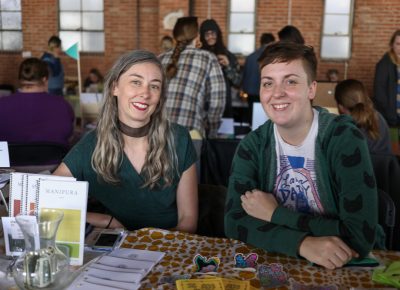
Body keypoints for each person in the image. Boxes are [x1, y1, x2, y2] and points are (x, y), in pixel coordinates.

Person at [225, 42, 384, 270]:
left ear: (311, 89)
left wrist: (275, 214)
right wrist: (302, 244)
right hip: (280, 263)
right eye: (268, 83)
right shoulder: (253, 145)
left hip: (347, 265)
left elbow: (359, 235)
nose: (277, 93)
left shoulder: (343, 138)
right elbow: (234, 222)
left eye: (290, 81)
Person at [53, 50, 198, 233]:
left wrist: (151, 247)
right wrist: (107, 221)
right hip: (114, 252)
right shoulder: (91, 145)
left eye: (154, 86)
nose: (145, 93)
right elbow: (45, 201)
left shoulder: (179, 138)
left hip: (168, 249)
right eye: (136, 82)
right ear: (115, 87)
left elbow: (188, 222)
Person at [159, 16, 226, 141]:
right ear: (197, 36)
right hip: (190, 134)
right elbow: (217, 101)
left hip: (157, 133)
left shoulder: (159, 59)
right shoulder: (208, 58)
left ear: (175, 36)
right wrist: (212, 131)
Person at [0, 58, 74, 147]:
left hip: (10, 160)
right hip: (55, 160)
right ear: (45, 79)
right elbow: (69, 137)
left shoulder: (2, 105)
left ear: (20, 80)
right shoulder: (63, 105)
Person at [335, 79, 392, 155]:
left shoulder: (344, 127)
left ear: (340, 107)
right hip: (384, 166)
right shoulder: (379, 117)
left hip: (360, 166)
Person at [200, 19, 241, 118]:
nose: (210, 37)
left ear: (218, 34)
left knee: (224, 133)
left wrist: (228, 66)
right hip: (202, 104)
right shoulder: (199, 55)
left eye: (213, 33)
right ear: (202, 37)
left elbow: (237, 82)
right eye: (206, 34)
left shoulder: (228, 55)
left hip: (224, 104)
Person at [242, 33, 275, 123]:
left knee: (251, 117)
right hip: (262, 92)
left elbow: (243, 75)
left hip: (249, 92)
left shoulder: (249, 57)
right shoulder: (269, 57)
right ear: (271, 43)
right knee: (263, 119)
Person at [373, 29, 400, 126]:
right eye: (398, 44)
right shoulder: (384, 64)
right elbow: (379, 93)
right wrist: (389, 114)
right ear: (392, 45)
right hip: (392, 118)